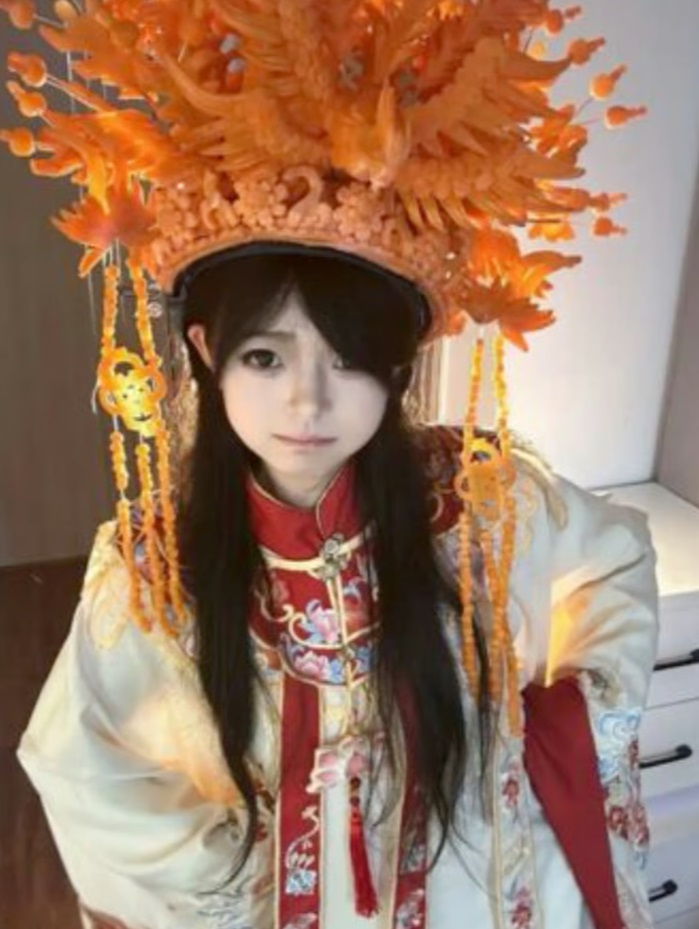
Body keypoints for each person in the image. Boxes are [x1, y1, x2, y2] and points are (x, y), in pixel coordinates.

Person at [1, 2, 657, 928]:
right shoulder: (154, 571)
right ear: (206, 352)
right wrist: (237, 882)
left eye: (347, 359)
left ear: (397, 368)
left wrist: (556, 733)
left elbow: (615, 561)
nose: (306, 404)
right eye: (265, 357)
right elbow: (86, 762)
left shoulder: (481, 501)